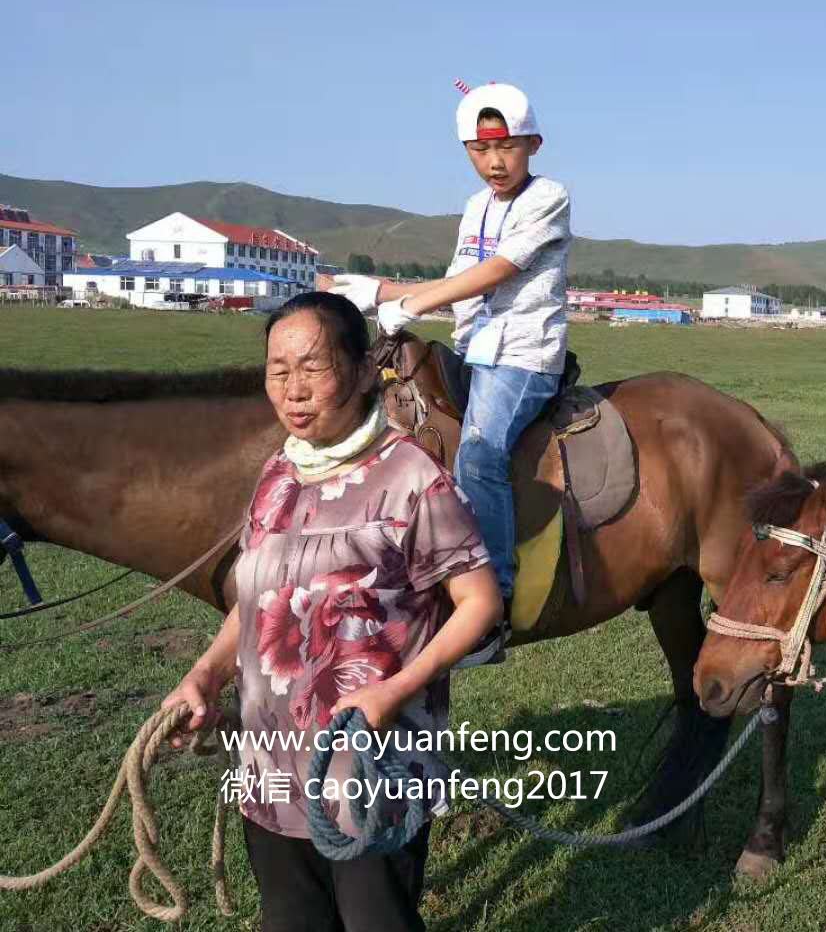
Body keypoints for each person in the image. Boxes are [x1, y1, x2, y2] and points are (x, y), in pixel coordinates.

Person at [163, 291, 502, 932]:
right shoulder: (277, 475)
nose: (293, 389)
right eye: (277, 370)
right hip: (269, 767)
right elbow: (255, 597)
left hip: (372, 766)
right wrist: (206, 674)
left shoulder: (412, 477)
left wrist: (394, 690)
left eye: (313, 368)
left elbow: (478, 602)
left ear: (363, 371)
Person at [329, 82, 571, 619]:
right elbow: (458, 280)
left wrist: (412, 306)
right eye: (480, 150)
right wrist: (375, 291)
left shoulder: (548, 197)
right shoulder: (475, 207)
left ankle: (492, 598)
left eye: (506, 147)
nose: (494, 162)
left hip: (522, 357)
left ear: (534, 144)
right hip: (470, 350)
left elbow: (498, 269)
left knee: (480, 451)